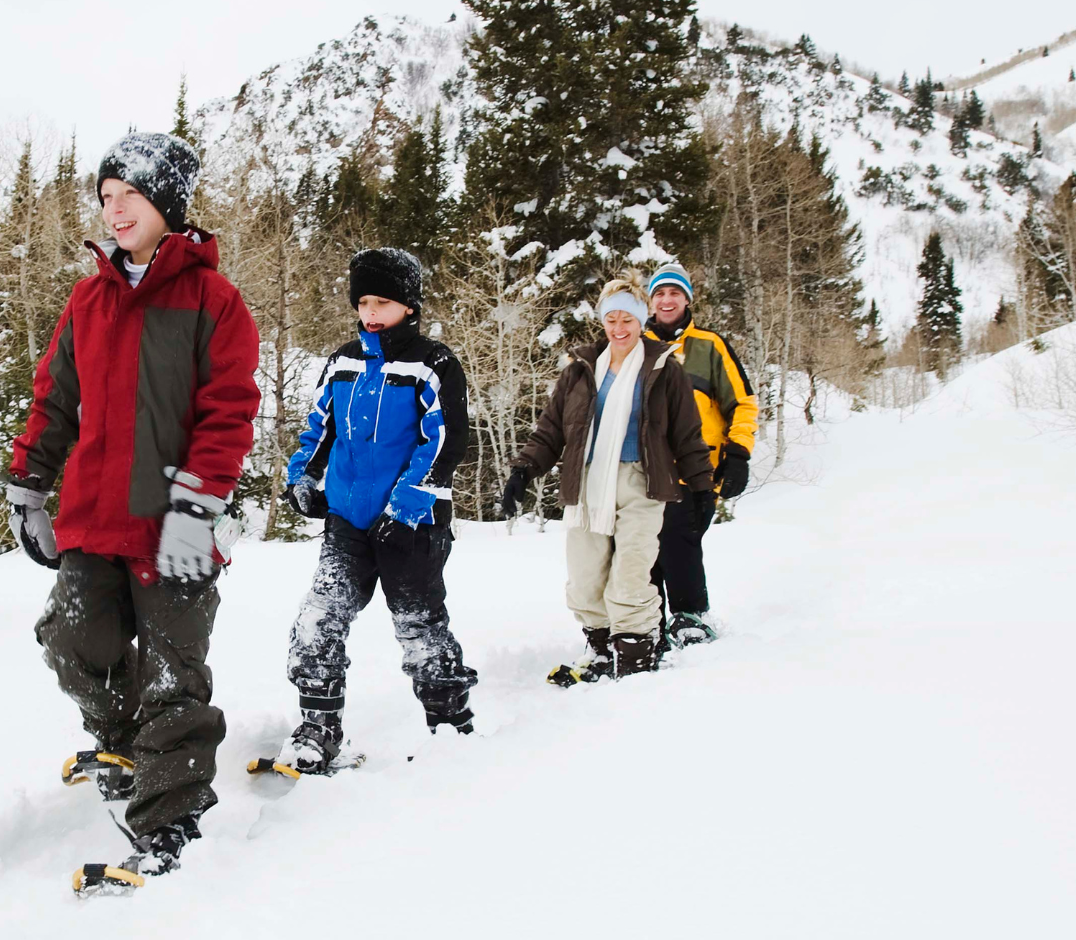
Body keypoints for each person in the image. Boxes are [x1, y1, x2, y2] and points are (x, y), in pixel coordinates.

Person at [6, 131, 260, 880]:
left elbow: (229, 413)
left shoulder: (213, 300)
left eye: (130, 197)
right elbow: (54, 399)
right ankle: (119, 738)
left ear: (167, 203)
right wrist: (29, 484)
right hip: (94, 515)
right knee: (71, 639)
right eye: (106, 199)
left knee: (173, 675)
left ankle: (169, 822)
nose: (115, 211)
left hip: (174, 523)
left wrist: (197, 505)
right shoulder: (88, 298)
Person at [271, 247, 476, 774]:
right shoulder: (343, 361)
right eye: (363, 301)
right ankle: (317, 730)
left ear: (408, 306)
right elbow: (320, 429)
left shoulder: (433, 364)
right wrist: (304, 478)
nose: (370, 313)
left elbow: (444, 442)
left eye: (382, 301)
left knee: (419, 628)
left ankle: (452, 728)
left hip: (411, 525)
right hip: (347, 521)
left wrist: (406, 506)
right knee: (318, 620)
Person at [499, 273, 713, 684]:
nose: (619, 328)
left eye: (627, 320)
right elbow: (551, 430)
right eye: (611, 319)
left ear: (641, 320)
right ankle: (600, 651)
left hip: (642, 484)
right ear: (602, 321)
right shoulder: (580, 371)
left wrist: (701, 486)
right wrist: (523, 471)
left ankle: (635, 658)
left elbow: (687, 435)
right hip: (588, 484)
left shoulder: (664, 368)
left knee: (632, 575)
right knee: (584, 580)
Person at [642, 262, 758, 646]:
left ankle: (690, 614)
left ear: (687, 299)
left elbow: (742, 402)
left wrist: (738, 453)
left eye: (674, 292)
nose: (666, 299)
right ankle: (647, 618)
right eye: (659, 293)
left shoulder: (709, 346)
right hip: (642, 471)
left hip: (696, 469)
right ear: (650, 301)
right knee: (642, 546)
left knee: (680, 538)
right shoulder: (633, 345)